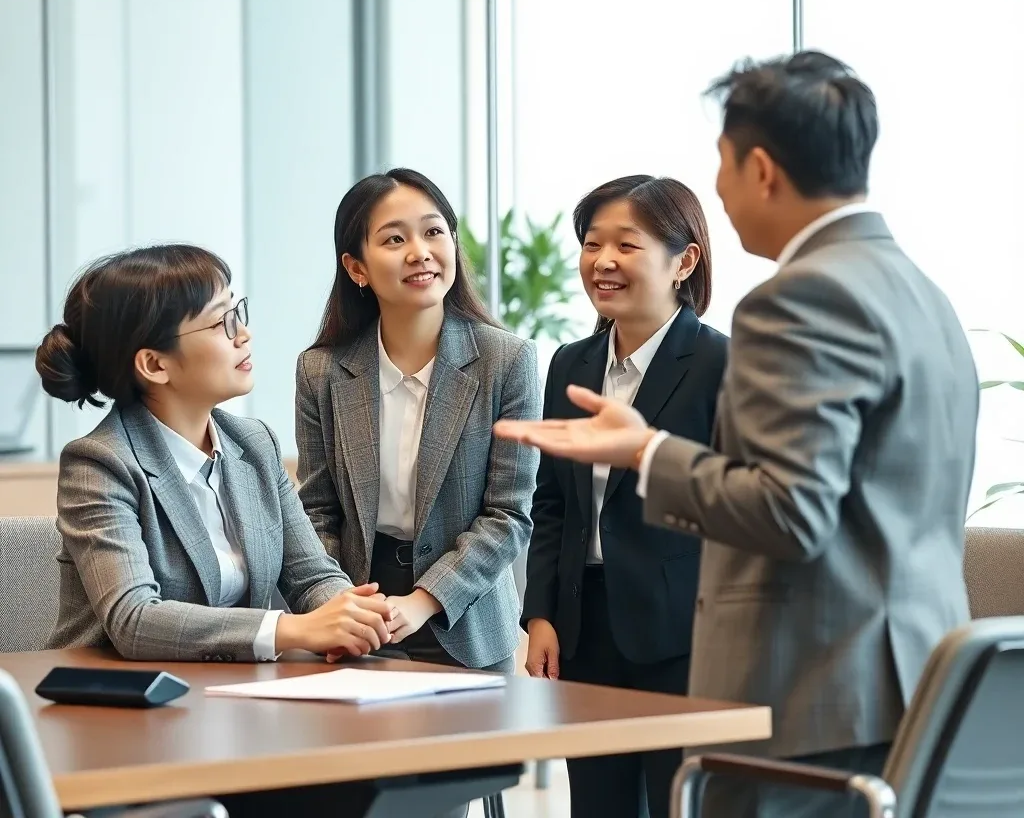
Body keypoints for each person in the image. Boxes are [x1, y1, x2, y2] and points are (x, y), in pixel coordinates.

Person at [495, 51, 979, 817]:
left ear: (760, 169)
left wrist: (645, 451)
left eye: (722, 164)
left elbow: (790, 510)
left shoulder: (802, 298)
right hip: (917, 680)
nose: (718, 191)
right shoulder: (921, 292)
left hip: (818, 695)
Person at [37, 244, 394, 662]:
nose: (243, 334)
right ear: (154, 364)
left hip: (234, 688)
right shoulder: (99, 463)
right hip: (115, 692)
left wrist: (350, 615)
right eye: (220, 322)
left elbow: (312, 576)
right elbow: (134, 620)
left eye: (236, 312)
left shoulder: (254, 443)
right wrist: (290, 629)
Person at [521, 175, 727, 818]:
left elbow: (731, 502)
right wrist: (541, 614)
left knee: (679, 804)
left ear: (683, 261)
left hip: (683, 633)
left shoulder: (722, 365)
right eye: (591, 244)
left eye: (626, 246)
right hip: (586, 627)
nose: (603, 261)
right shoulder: (571, 364)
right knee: (597, 806)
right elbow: (552, 502)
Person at [296, 168, 540, 676]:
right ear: (356, 267)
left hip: (466, 620)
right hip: (358, 615)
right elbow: (316, 510)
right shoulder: (321, 371)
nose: (420, 252)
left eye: (433, 231)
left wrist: (425, 599)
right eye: (394, 239)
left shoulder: (507, 361)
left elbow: (508, 515)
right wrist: (339, 602)